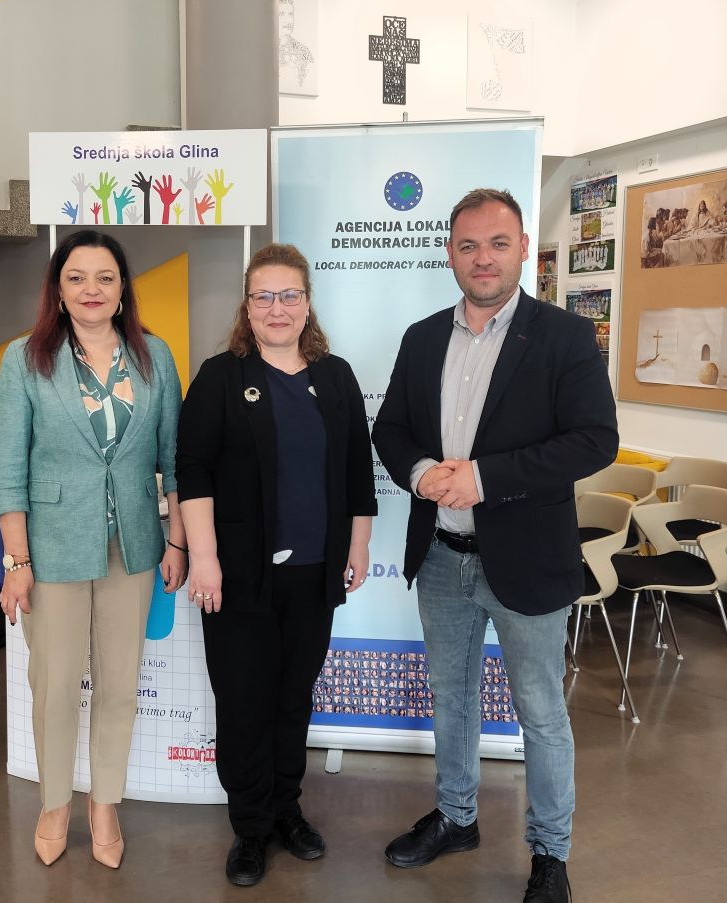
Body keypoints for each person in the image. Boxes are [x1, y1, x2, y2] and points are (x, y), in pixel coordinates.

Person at [372, 189, 618, 903]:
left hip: (529, 561)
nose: (483, 258)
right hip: (441, 557)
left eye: (498, 243)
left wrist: (482, 478)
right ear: (450, 254)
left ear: (522, 250)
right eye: (469, 245)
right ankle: (456, 817)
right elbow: (390, 430)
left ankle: (550, 852)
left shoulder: (565, 337)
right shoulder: (423, 337)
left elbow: (594, 440)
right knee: (451, 699)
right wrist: (422, 472)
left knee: (540, 711)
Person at [176, 243, 376, 887]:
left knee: (293, 697)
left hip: (314, 573)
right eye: (263, 296)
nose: (277, 308)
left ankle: (287, 809)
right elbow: (192, 473)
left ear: (307, 303)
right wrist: (204, 558)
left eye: (289, 295)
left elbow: (357, 470)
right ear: (247, 306)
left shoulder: (336, 377)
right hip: (237, 576)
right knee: (244, 702)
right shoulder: (220, 377)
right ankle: (251, 826)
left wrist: (358, 545)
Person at [0, 230, 187, 870]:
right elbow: (8, 469)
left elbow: (175, 459)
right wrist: (17, 561)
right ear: (58, 288)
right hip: (51, 549)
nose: (91, 290)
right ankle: (54, 804)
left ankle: (105, 806)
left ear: (123, 287)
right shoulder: (25, 358)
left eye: (105, 277)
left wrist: (177, 539)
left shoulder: (154, 356)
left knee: (119, 685)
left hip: (133, 545)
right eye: (76, 277)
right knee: (53, 686)